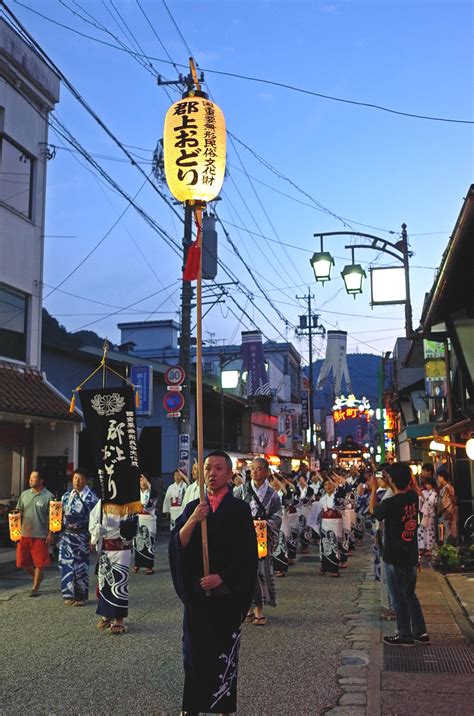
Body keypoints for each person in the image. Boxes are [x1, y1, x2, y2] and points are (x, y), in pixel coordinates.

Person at [169, 450, 258, 715]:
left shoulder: (240, 510)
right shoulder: (193, 507)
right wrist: (195, 519)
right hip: (198, 595)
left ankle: (224, 705)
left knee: (224, 653)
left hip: (226, 595)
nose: (212, 473)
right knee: (194, 654)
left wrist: (223, 577)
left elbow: (247, 555)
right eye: (208, 468)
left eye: (219, 468)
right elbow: (178, 545)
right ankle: (192, 706)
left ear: (230, 475)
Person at [370, 462, 429, 647]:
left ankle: (405, 635)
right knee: (410, 594)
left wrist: (373, 490)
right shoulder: (413, 497)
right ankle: (420, 632)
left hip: (394, 556)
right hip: (411, 554)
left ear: (391, 479)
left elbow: (374, 512)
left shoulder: (389, 503)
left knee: (398, 597)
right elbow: (405, 489)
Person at [234, 457, 282, 626]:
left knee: (261, 571)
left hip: (262, 535)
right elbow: (233, 511)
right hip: (245, 535)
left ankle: (259, 609)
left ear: (267, 471)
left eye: (259, 468)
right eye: (252, 468)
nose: (254, 471)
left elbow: (277, 516)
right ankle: (247, 608)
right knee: (245, 572)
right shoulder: (240, 490)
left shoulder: (273, 494)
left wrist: (265, 524)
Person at [89, 500, 138, 634]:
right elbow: (93, 519)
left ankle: (119, 619)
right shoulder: (102, 502)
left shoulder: (128, 501)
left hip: (121, 547)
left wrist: (126, 537)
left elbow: (133, 524)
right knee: (104, 582)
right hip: (105, 547)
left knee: (119, 582)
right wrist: (95, 531)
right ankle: (106, 615)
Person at [59, 468, 99, 605]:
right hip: (67, 535)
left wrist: (93, 538)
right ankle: (69, 595)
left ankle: (81, 596)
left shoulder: (92, 498)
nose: (77, 481)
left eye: (80, 478)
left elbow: (96, 520)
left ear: (86, 480)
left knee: (80, 566)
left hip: (82, 535)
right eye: (75, 478)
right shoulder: (66, 496)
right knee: (66, 565)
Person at [16, 470, 54, 597]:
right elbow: (18, 512)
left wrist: (51, 533)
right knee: (23, 563)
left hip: (40, 535)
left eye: (34, 478)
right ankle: (37, 577)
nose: (30, 480)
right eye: (30, 478)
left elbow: (53, 517)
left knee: (39, 563)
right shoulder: (24, 494)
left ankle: (35, 587)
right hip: (24, 534)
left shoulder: (49, 496)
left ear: (41, 480)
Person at [133, 473, 157, 574]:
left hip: (149, 519)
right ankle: (137, 564)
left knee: (149, 542)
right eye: (140, 480)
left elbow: (154, 495)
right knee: (137, 542)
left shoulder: (151, 492)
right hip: (138, 518)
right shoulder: (135, 493)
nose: (142, 483)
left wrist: (149, 484)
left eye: (144, 480)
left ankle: (149, 566)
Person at [418, 476, 438, 557]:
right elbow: (420, 501)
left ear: (432, 485)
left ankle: (429, 548)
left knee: (430, 531)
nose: (427, 485)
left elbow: (432, 503)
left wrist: (422, 497)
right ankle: (422, 547)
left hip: (430, 514)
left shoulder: (434, 494)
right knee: (421, 531)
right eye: (426, 484)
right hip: (424, 514)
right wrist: (421, 497)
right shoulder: (424, 492)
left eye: (428, 484)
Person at [437, 468, 458, 544]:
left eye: (438, 477)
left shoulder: (448, 488)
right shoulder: (444, 488)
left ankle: (447, 551)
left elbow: (445, 502)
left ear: (442, 477)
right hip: (446, 514)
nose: (438, 479)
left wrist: (439, 509)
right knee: (444, 533)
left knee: (447, 533)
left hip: (447, 514)